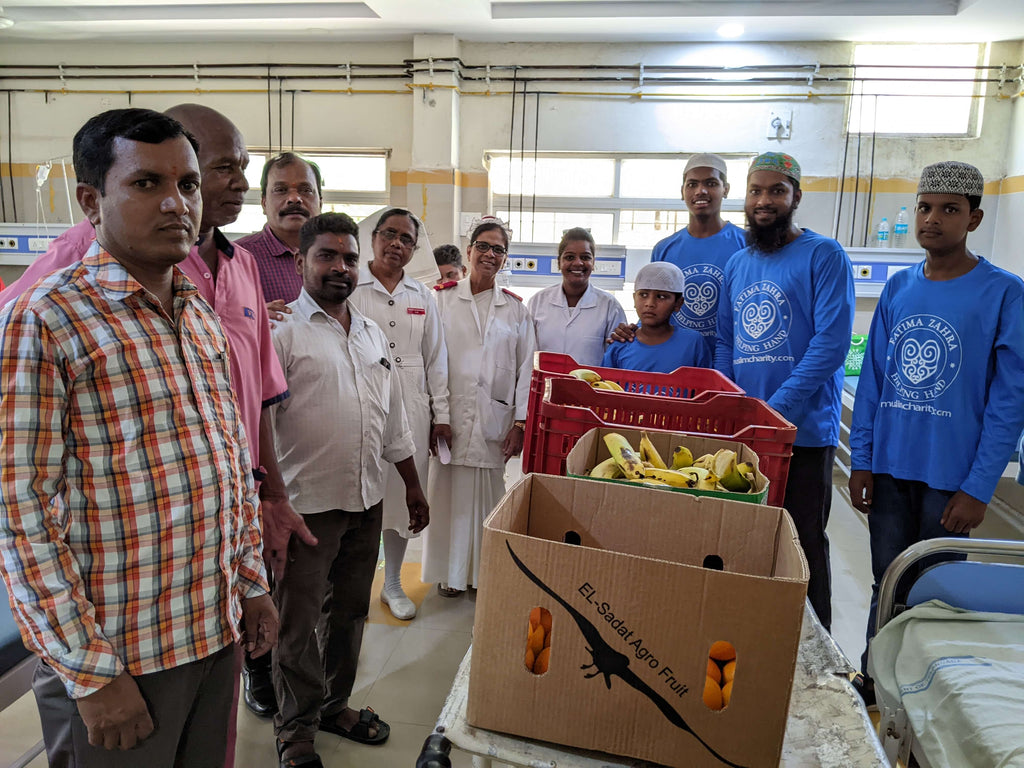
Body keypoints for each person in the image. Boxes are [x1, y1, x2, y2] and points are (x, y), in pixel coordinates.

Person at [0, 103, 313, 729]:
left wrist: (249, 586)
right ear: (92, 201)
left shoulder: (197, 314)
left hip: (211, 629)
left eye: (187, 184)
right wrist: (89, 674)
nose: (177, 204)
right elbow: (19, 512)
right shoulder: (47, 318)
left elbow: (228, 458)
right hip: (122, 650)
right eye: (147, 184)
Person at [848, 160, 1024, 704]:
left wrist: (977, 487)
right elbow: (875, 379)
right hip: (890, 470)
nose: (933, 219)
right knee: (887, 583)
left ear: (974, 218)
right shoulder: (900, 288)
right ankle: (875, 682)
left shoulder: (1003, 294)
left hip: (950, 480)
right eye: (926, 207)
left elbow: (1008, 401)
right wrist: (862, 459)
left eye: (950, 209)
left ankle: (925, 695)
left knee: (936, 592)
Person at [269, 212, 428, 767]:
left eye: (348, 258)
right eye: (327, 256)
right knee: (298, 621)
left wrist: (411, 483)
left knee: (349, 614)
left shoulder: (368, 331)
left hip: (365, 499)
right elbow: (257, 428)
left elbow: (392, 419)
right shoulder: (281, 332)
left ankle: (334, 705)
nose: (340, 267)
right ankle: (296, 729)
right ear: (301, 261)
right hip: (305, 506)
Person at [715, 152, 855, 634]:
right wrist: (731, 406)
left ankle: (815, 653)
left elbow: (831, 344)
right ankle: (751, 635)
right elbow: (726, 342)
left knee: (803, 543)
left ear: (797, 196)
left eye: (777, 190)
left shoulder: (824, 255)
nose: (765, 200)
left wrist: (774, 411)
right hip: (747, 432)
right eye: (756, 191)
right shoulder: (737, 263)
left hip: (803, 434)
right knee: (746, 538)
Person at [423, 218, 536, 597]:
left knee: (486, 497)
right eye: (483, 246)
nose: (490, 254)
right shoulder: (441, 298)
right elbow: (431, 361)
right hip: (449, 417)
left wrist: (520, 422)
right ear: (468, 250)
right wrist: (436, 415)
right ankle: (448, 575)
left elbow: (526, 370)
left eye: (499, 249)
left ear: (505, 258)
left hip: (494, 418)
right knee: (447, 497)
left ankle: (480, 575)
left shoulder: (517, 310)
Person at [348, 208, 450, 621]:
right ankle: (352, 583)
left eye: (406, 239)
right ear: (373, 238)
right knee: (359, 493)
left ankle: (392, 583)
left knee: (403, 495)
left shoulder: (422, 295)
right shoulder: (352, 284)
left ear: (414, 248)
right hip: (359, 398)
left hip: (411, 404)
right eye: (389, 234)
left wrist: (440, 413)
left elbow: (436, 358)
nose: (396, 244)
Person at [610, 153, 746, 355]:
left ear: (725, 189)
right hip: (676, 361)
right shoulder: (665, 248)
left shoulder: (745, 244)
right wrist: (632, 333)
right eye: (692, 184)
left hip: (729, 360)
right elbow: (654, 306)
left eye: (710, 183)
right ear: (682, 192)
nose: (700, 191)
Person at [526, 227, 626, 367]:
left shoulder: (610, 306)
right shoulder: (537, 302)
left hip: (591, 387)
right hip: (544, 386)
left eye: (585, 257)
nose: (578, 263)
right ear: (558, 262)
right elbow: (527, 354)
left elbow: (617, 358)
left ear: (593, 263)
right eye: (569, 257)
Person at [235, 151, 323, 304]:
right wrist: (253, 318)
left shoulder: (338, 257)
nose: (294, 199)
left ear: (320, 203)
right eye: (281, 190)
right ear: (264, 204)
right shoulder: (236, 259)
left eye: (306, 190)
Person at [602, 261, 709, 372]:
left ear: (678, 303)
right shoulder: (621, 344)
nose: (650, 303)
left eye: (661, 296)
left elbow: (706, 384)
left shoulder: (693, 343)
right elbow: (605, 386)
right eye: (643, 295)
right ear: (634, 299)